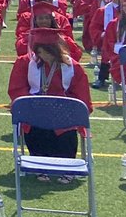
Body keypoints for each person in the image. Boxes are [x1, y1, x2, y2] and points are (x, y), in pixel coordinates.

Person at [8, 27, 92, 160]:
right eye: (40, 52)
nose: (43, 56)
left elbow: (81, 94)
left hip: (63, 111)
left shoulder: (72, 66)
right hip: (35, 109)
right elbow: (17, 89)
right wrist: (32, 104)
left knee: (66, 132)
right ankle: (39, 162)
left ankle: (67, 166)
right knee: (35, 126)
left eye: (47, 52)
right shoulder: (25, 62)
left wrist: (66, 107)